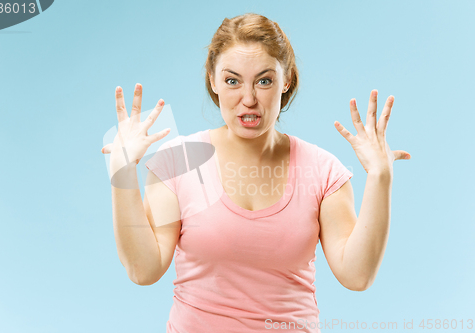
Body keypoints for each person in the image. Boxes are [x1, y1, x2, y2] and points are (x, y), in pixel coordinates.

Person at [101, 13, 411, 333]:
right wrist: (122, 172)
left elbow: (357, 275)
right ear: (213, 79)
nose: (248, 100)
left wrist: (379, 176)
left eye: (264, 81)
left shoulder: (322, 171)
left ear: (286, 79)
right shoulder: (180, 161)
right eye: (232, 80)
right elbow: (143, 270)